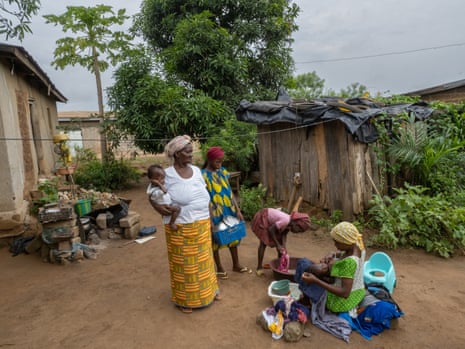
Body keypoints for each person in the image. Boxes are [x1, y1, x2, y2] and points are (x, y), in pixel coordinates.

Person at [148, 135, 220, 314]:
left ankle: (210, 292)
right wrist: (156, 207)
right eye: (187, 151)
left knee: (205, 262)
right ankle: (185, 301)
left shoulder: (196, 170)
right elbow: (152, 194)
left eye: (191, 150)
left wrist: (210, 220)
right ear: (177, 154)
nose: (191, 154)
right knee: (185, 266)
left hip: (202, 224)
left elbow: (205, 195)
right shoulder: (167, 174)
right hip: (180, 227)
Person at [201, 146, 251, 279]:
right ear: (210, 159)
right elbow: (204, 199)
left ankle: (236, 264)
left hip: (229, 209)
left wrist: (238, 210)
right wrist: (210, 219)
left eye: (221, 161)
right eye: (217, 161)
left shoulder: (223, 171)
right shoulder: (203, 175)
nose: (220, 163)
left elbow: (230, 192)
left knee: (233, 235)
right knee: (216, 238)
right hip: (214, 211)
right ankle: (220, 268)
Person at [301, 221, 366, 314]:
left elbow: (344, 293)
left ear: (346, 241)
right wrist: (333, 253)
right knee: (309, 267)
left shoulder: (349, 262)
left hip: (341, 302)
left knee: (305, 267)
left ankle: (308, 301)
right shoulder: (359, 245)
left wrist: (316, 280)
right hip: (358, 292)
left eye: (337, 242)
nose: (335, 245)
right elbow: (343, 253)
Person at [251, 208, 311, 276]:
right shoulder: (286, 221)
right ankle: (259, 267)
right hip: (264, 217)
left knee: (281, 248)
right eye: (299, 230)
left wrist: (283, 246)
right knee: (263, 242)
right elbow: (271, 230)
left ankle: (279, 266)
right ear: (296, 223)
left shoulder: (289, 224)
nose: (297, 232)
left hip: (273, 224)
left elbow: (284, 234)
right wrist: (278, 245)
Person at [146, 164, 180, 231]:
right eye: (161, 179)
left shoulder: (154, 188)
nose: (163, 180)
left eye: (163, 178)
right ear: (153, 180)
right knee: (177, 209)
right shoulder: (155, 191)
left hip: (168, 205)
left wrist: (159, 183)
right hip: (166, 207)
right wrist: (160, 184)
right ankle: (172, 223)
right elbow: (164, 191)